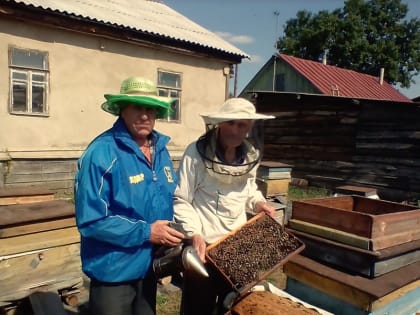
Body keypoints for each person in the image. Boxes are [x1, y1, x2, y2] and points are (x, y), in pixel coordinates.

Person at [74, 76, 184, 315]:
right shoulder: (101, 152)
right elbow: (92, 221)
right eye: (137, 107)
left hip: (149, 268)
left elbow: (167, 198)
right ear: (122, 109)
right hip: (113, 271)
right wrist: (148, 232)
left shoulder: (161, 150)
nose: (145, 115)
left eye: (150, 109)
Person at [173, 97, 276, 315]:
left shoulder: (250, 155)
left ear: (250, 128)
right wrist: (194, 234)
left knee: (235, 305)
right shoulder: (195, 153)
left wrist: (259, 203)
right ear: (219, 123)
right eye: (230, 122)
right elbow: (180, 198)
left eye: (242, 125)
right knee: (198, 307)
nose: (235, 130)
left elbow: (249, 190)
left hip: (237, 245)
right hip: (204, 247)